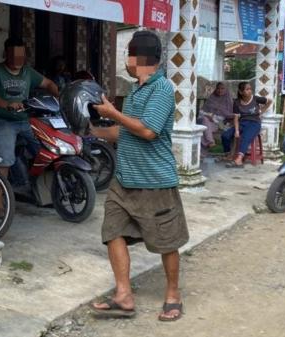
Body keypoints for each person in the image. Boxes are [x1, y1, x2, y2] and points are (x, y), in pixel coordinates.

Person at [89, 30, 189, 322]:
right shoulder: (136, 90)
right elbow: (125, 131)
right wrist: (92, 133)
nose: (126, 60)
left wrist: (112, 112)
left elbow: (147, 130)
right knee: (112, 232)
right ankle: (124, 294)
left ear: (139, 58)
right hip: (124, 181)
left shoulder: (162, 90)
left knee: (166, 242)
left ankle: (173, 295)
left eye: (128, 55)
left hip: (155, 181)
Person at [0, 36, 59, 215]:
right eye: (13, 55)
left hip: (24, 121)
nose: (18, 60)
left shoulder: (28, 72)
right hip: (1, 121)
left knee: (48, 149)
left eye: (21, 56)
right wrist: (5, 104)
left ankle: (40, 190)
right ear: (5, 54)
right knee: (6, 160)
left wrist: (58, 97)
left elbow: (48, 83)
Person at [222, 82, 273, 168]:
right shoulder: (237, 102)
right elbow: (236, 118)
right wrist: (237, 131)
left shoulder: (256, 99)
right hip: (242, 123)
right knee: (225, 135)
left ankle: (239, 160)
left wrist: (261, 111)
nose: (250, 91)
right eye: (247, 89)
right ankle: (229, 155)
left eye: (250, 89)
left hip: (254, 123)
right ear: (241, 92)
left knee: (245, 137)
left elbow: (269, 101)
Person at [197, 82, 234, 153]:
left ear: (226, 89)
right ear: (216, 89)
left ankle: (204, 150)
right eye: (218, 88)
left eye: (222, 88)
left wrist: (214, 119)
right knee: (205, 120)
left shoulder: (228, 100)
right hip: (204, 120)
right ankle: (210, 142)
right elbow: (201, 112)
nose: (220, 90)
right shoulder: (212, 98)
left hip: (216, 124)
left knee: (203, 129)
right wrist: (208, 115)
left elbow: (229, 115)